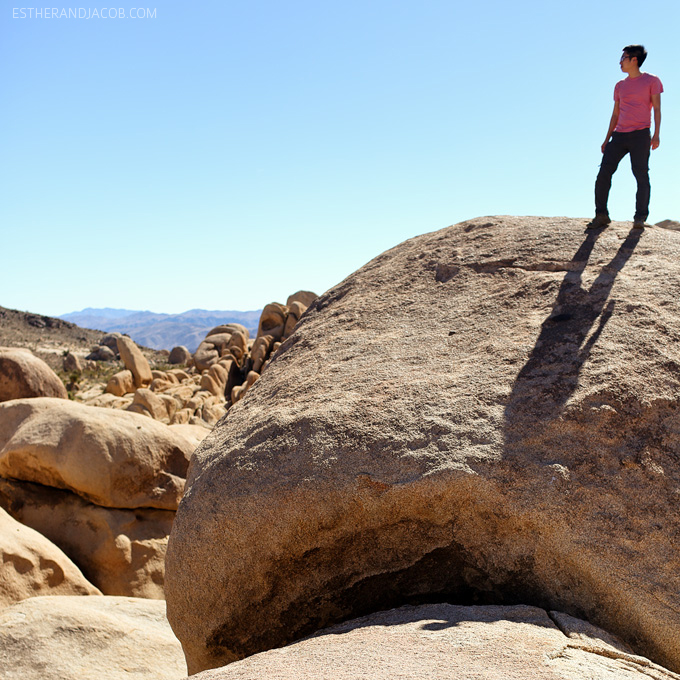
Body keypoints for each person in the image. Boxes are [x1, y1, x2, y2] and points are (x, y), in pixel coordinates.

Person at [589, 45, 663, 229]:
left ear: (634, 60)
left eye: (623, 57)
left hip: (640, 135)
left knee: (641, 174)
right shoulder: (620, 85)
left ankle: (640, 217)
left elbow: (657, 109)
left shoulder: (651, 81)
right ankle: (601, 215)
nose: (620, 61)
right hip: (619, 135)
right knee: (603, 173)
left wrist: (656, 135)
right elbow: (615, 114)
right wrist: (607, 139)